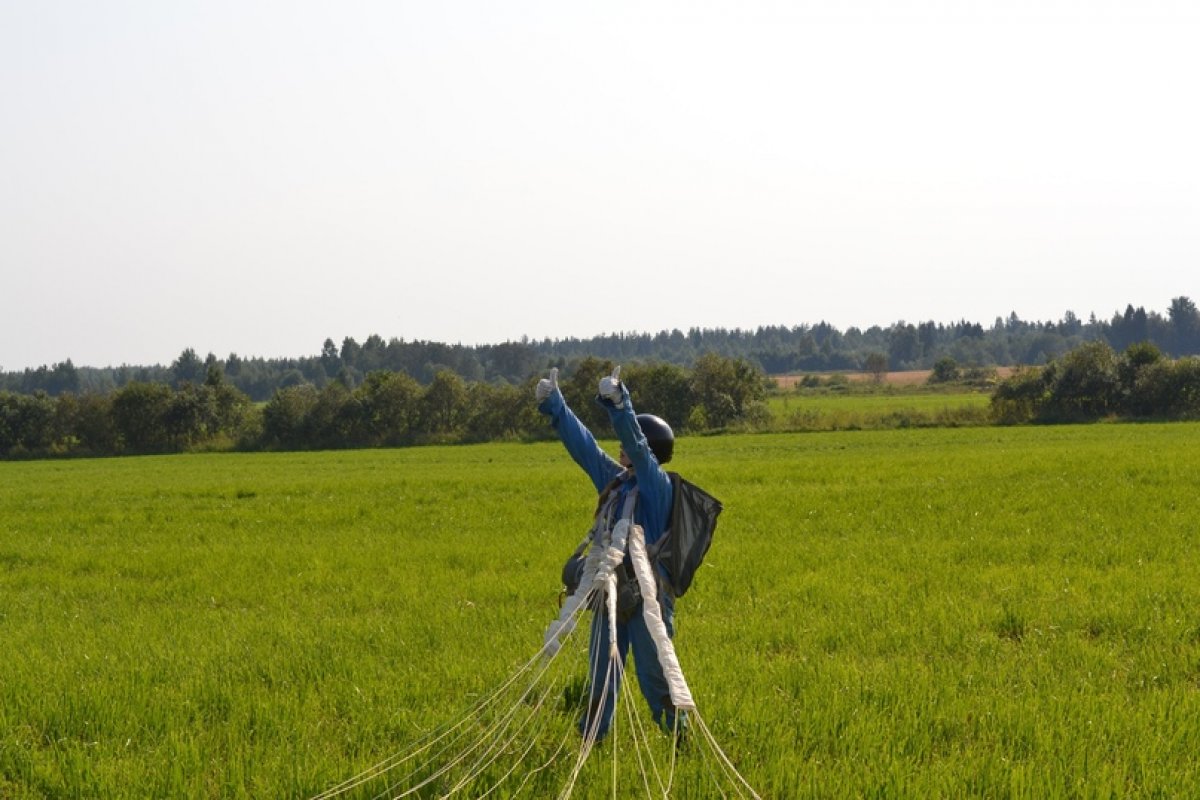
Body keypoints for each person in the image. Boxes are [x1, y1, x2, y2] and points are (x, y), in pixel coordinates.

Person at [536, 364, 684, 741]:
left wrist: (621, 405)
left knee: (655, 679)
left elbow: (638, 448)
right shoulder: (616, 483)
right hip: (610, 593)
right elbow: (585, 448)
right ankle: (590, 740)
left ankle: (679, 740)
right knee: (601, 675)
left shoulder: (657, 487)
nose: (620, 450)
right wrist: (555, 405)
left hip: (648, 600)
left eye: (627, 446)